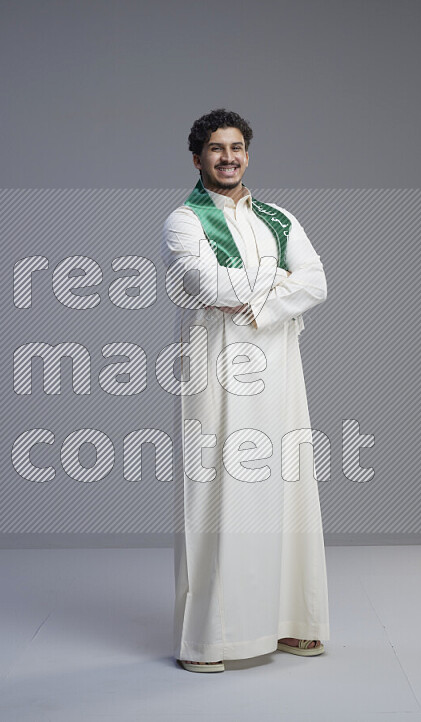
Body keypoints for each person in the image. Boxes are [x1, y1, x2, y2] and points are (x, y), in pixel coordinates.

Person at [161, 109, 330, 672]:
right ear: (197, 158)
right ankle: (213, 639)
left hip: (280, 366)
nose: (228, 157)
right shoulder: (185, 220)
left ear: (247, 155)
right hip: (216, 368)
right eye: (216, 149)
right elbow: (201, 282)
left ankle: (291, 622)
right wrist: (279, 283)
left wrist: (258, 300)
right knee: (218, 493)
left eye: (236, 148)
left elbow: (318, 282)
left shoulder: (279, 219)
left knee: (288, 485)